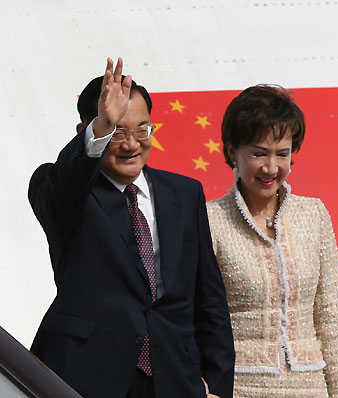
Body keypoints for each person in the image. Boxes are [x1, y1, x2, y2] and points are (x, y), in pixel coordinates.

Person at [28, 58, 234, 398]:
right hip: (87, 377)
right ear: (86, 132)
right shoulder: (63, 189)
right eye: (117, 132)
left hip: (174, 379)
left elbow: (208, 297)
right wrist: (101, 127)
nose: (131, 144)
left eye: (142, 129)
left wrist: (217, 384)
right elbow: (59, 192)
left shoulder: (184, 193)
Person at [206, 85, 338, 397]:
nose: (271, 167)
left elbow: (334, 319)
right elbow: (190, 318)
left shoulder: (313, 215)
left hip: (311, 388)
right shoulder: (209, 220)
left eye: (282, 154)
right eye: (259, 153)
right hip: (237, 388)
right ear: (231, 151)